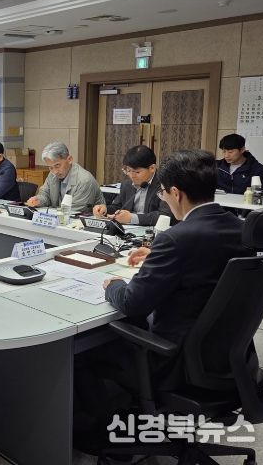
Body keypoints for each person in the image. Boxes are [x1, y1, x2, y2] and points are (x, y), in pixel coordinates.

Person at [74, 150, 252, 450]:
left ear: (176, 193)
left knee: (84, 350)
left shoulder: (177, 238)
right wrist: (158, 254)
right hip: (229, 357)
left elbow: (131, 303)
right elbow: (206, 263)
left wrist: (114, 284)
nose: (165, 198)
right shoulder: (240, 228)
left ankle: (108, 436)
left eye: (164, 193)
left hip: (174, 360)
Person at [92, 145, 171, 226]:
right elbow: (118, 207)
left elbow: (165, 215)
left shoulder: (164, 185)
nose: (132, 176)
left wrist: (132, 218)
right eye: (129, 170)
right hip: (128, 230)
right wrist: (104, 210)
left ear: (152, 168)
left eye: (137, 172)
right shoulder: (127, 185)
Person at [26, 141, 104, 213]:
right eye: (50, 167)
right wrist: (38, 200)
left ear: (69, 159)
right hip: (59, 218)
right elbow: (45, 194)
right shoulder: (52, 174)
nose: (55, 172)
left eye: (57, 165)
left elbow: (74, 211)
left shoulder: (84, 180)